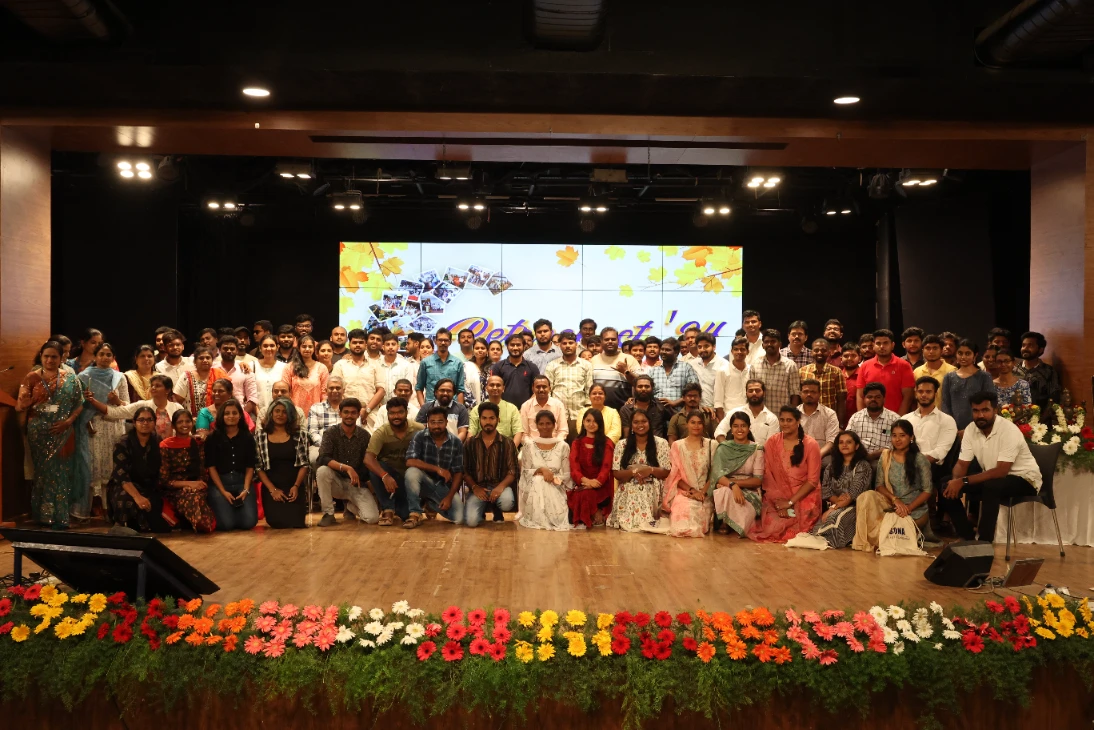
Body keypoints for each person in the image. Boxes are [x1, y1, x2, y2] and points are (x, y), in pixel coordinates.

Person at [940, 391, 1043, 542]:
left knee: (992, 485)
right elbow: (962, 463)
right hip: (993, 477)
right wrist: (955, 482)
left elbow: (1001, 471)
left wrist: (963, 481)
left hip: (1024, 479)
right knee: (946, 484)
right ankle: (967, 538)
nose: (980, 415)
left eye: (985, 410)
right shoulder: (971, 429)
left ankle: (984, 542)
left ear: (995, 410)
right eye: (976, 411)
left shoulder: (1009, 430)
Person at [17, 340, 86, 529]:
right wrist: (24, 404)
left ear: (61, 358)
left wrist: (68, 422)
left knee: (62, 473)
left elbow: (79, 404)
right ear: (41, 356)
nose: (49, 360)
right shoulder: (31, 377)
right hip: (39, 432)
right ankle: (43, 515)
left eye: (54, 357)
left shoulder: (71, 378)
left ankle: (61, 516)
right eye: (46, 356)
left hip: (63, 431)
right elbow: (19, 406)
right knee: (43, 472)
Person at [748, 406, 821, 543]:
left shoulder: (811, 444)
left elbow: (812, 481)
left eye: (789, 420)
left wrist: (790, 502)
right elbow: (768, 475)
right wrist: (779, 503)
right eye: (782, 420)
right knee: (773, 527)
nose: (785, 423)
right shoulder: (772, 442)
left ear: (798, 421)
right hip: (777, 497)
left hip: (804, 495)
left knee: (799, 527)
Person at [855, 420, 933, 545]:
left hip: (914, 510)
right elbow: (879, 485)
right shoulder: (886, 456)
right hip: (890, 505)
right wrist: (895, 500)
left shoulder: (920, 459)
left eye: (902, 435)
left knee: (895, 536)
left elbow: (927, 490)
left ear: (911, 437)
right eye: (894, 435)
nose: (897, 439)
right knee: (867, 496)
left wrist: (907, 508)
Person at [76, 342, 130, 518]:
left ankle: (110, 507)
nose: (105, 358)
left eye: (108, 355)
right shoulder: (84, 377)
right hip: (93, 426)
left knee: (110, 464)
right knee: (94, 464)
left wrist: (116, 401)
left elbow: (127, 406)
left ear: (113, 357)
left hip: (114, 425)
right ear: (95, 356)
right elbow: (76, 404)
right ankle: (93, 504)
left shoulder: (119, 377)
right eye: (101, 354)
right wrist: (87, 401)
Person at [107, 406, 172, 534]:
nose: (145, 423)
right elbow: (121, 475)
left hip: (149, 486)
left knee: (161, 521)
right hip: (126, 486)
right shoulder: (123, 443)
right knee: (126, 501)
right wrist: (137, 496)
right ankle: (124, 526)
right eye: (141, 420)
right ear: (134, 422)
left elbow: (161, 469)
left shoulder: (157, 441)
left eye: (149, 420)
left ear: (154, 422)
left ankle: (142, 524)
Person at [316, 398, 380, 526]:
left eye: (353, 412)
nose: (349, 416)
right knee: (322, 471)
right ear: (340, 413)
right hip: (336, 482)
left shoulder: (364, 436)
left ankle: (350, 507)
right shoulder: (331, 433)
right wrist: (346, 468)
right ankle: (328, 513)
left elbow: (369, 461)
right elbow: (323, 458)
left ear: (358, 414)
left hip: (356, 484)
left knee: (372, 518)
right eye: (346, 412)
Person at [608, 409, 671, 532]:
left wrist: (649, 470)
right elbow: (616, 473)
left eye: (644, 421)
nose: (640, 425)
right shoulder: (622, 445)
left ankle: (641, 522)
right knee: (635, 488)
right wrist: (635, 472)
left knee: (644, 488)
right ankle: (640, 523)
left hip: (653, 484)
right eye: (636, 422)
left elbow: (666, 471)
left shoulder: (661, 443)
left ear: (649, 423)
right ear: (631, 425)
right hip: (629, 483)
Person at [364, 397, 423, 527]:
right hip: (390, 475)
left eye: (400, 412)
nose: (396, 416)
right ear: (388, 414)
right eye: (392, 413)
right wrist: (385, 476)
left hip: (410, 478)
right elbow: (368, 459)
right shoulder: (381, 433)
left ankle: (409, 506)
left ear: (406, 412)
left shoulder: (418, 429)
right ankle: (387, 509)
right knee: (375, 468)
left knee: (405, 514)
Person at [809, 431, 872, 548]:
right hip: (837, 504)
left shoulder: (863, 466)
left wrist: (834, 508)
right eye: (841, 442)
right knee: (820, 521)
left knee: (834, 518)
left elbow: (853, 494)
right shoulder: (831, 466)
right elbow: (826, 491)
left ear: (856, 446)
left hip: (856, 507)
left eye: (849, 442)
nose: (844, 445)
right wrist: (837, 502)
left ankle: (829, 541)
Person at [203, 399, 259, 531]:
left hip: (242, 482)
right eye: (227, 413)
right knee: (227, 525)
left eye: (234, 413)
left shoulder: (247, 437)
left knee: (249, 523)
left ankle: (235, 512)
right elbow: (211, 467)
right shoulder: (212, 438)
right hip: (220, 484)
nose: (231, 416)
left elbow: (250, 466)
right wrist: (223, 491)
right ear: (222, 416)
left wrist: (246, 489)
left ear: (240, 416)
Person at [254, 397, 310, 529]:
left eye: (284, 412)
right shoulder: (260, 436)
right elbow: (258, 467)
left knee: (296, 523)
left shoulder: (299, 435)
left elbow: (304, 465)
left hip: (294, 486)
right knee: (276, 523)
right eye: (277, 411)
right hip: (271, 487)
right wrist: (272, 490)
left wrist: (296, 486)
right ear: (271, 413)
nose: (280, 414)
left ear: (290, 415)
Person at [405, 406, 467, 524]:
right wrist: (438, 469)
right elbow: (410, 461)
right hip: (423, 482)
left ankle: (430, 504)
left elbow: (458, 472)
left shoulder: (456, 442)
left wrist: (449, 497)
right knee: (412, 472)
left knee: (459, 518)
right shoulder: (419, 436)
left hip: (442, 486)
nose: (436, 426)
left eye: (440, 422)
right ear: (427, 422)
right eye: (432, 422)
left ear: (446, 422)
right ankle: (415, 513)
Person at [158, 410, 217, 533]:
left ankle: (201, 524)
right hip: (173, 489)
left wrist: (196, 485)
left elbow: (203, 471)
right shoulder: (166, 445)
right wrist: (187, 484)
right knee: (194, 499)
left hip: (197, 486)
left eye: (187, 421)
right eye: (180, 422)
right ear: (173, 426)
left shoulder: (198, 443)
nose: (184, 424)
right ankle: (201, 525)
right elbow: (164, 480)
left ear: (192, 423)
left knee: (198, 495)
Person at [463, 402, 520, 527]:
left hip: (499, 486)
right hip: (478, 488)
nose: (488, 422)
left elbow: (513, 470)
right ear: (479, 420)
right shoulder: (470, 443)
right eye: (484, 418)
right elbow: (464, 470)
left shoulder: (507, 443)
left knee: (507, 503)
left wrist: (500, 487)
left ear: (498, 420)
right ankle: (483, 508)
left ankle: (496, 508)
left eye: (492, 418)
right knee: (471, 522)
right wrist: (475, 487)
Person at [661, 410, 716, 537]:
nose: (696, 426)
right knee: (682, 509)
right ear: (686, 424)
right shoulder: (677, 446)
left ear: (704, 425)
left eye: (699, 423)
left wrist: (702, 493)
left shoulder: (712, 445)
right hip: (684, 492)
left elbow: (715, 473)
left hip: (706, 493)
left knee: (698, 517)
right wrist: (692, 491)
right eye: (693, 422)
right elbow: (675, 476)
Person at [710, 411, 765, 536]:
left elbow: (757, 480)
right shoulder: (723, 448)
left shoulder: (757, 449)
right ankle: (725, 521)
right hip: (727, 487)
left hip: (750, 490)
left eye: (743, 426)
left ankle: (736, 523)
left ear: (749, 427)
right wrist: (732, 486)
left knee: (726, 490)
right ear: (731, 428)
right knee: (724, 491)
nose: (739, 429)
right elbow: (717, 475)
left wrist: (735, 484)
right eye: (735, 426)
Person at [518, 410, 573, 531]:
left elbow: (567, 474)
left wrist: (552, 478)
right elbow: (525, 472)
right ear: (536, 425)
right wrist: (542, 470)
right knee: (538, 480)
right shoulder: (529, 445)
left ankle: (553, 517)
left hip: (556, 486)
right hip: (533, 487)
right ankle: (538, 519)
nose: (545, 427)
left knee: (542, 481)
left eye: (548, 423)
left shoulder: (563, 446)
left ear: (554, 425)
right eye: (541, 424)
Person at [905, 376, 959, 492]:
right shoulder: (905, 419)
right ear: (915, 393)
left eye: (928, 391)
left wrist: (915, 461)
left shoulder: (947, 420)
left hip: (932, 467)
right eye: (920, 391)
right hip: (904, 464)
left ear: (935, 393)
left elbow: (940, 452)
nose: (924, 395)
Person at [91, 373, 184, 439]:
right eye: (152, 385)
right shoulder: (143, 405)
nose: (153, 388)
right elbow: (116, 412)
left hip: (172, 451)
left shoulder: (177, 408)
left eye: (158, 386)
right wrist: (92, 400)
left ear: (167, 390)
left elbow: (184, 431)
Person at [568, 408, 615, 528]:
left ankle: (592, 515)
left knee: (586, 493)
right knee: (584, 493)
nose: (591, 424)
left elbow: (606, 468)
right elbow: (574, 468)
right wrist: (586, 481)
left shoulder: (607, 443)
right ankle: (594, 513)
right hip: (582, 484)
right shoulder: (576, 443)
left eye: (595, 421)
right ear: (583, 422)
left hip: (601, 486)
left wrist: (596, 482)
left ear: (600, 424)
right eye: (588, 420)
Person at [332, 328, 385, 430]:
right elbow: (336, 390)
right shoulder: (340, 365)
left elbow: (381, 391)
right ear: (349, 344)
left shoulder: (375, 365)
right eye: (354, 342)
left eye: (361, 342)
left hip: (370, 414)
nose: (357, 345)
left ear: (366, 345)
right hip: (345, 414)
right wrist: (351, 411)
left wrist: (366, 410)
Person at [545, 331, 593, 439]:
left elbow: (589, 389)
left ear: (576, 344)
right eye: (564, 343)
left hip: (579, 414)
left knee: (578, 446)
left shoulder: (586, 365)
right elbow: (548, 390)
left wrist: (587, 412)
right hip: (557, 415)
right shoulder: (552, 365)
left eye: (570, 343)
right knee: (558, 447)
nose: (567, 346)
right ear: (560, 345)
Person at [941, 339, 997, 433]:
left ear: (975, 355)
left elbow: (990, 404)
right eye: (960, 353)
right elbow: (945, 404)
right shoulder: (949, 377)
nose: (963, 357)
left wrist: (972, 429)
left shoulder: (984, 376)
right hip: (953, 429)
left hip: (979, 427)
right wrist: (952, 428)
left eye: (967, 354)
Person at [857, 329, 914, 415]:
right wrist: (862, 418)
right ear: (873, 346)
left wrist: (899, 420)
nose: (882, 346)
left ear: (892, 345)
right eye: (878, 343)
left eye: (885, 343)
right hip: (870, 419)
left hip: (897, 417)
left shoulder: (904, 365)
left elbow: (908, 397)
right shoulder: (865, 366)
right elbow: (860, 396)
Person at [750, 329, 801, 411]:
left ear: (780, 344)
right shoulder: (755, 365)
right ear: (762, 345)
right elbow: (752, 392)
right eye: (766, 342)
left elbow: (795, 394)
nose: (769, 344)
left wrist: (792, 414)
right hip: (761, 414)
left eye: (773, 341)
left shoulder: (790, 365)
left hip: (782, 415)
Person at [646, 337, 698, 416]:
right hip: (657, 415)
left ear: (676, 352)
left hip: (679, 413)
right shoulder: (653, 370)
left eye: (667, 350)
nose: (663, 352)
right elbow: (647, 390)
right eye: (662, 349)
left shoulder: (686, 368)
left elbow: (695, 391)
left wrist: (675, 402)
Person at [590, 327, 640, 410]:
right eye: (606, 339)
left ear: (618, 341)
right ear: (601, 341)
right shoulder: (593, 360)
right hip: (598, 409)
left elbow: (640, 384)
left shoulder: (629, 359)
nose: (610, 341)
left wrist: (626, 371)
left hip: (623, 409)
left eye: (613, 339)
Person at [847, 382, 900, 460]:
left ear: (884, 399)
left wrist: (876, 454)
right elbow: (847, 440)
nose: (873, 399)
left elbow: (899, 443)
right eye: (869, 397)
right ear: (864, 399)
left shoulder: (895, 419)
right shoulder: (855, 418)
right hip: (859, 459)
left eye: (877, 397)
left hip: (886, 459)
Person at [715, 379, 778, 444]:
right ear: (746, 393)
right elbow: (719, 432)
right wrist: (727, 448)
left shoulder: (772, 419)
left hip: (761, 450)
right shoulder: (735, 413)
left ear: (764, 393)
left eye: (757, 390)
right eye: (750, 391)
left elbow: (771, 445)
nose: (754, 393)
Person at [799, 337, 847, 423]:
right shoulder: (802, 371)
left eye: (823, 350)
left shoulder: (837, 372)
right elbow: (799, 397)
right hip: (806, 418)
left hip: (829, 419)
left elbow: (841, 400)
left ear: (829, 352)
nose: (819, 353)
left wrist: (840, 424)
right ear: (812, 352)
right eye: (816, 350)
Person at [415, 328, 466, 405]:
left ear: (450, 342)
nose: (443, 343)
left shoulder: (458, 363)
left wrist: (459, 409)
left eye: (446, 340)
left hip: (452, 406)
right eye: (440, 340)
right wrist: (423, 407)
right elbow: (419, 387)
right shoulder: (425, 362)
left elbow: (460, 389)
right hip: (431, 406)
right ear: (435, 341)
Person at [173, 346, 227, 418]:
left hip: (216, 419)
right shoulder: (186, 376)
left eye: (208, 358)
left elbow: (228, 396)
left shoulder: (219, 374)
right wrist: (187, 418)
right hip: (192, 420)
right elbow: (177, 401)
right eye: (201, 358)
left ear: (212, 361)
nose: (205, 360)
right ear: (195, 361)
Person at [491, 332, 540, 407]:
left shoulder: (532, 367)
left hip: (527, 409)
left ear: (524, 346)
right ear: (507, 347)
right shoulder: (498, 367)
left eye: (518, 345)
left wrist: (526, 407)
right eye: (512, 345)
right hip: (503, 409)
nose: (515, 348)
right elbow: (494, 389)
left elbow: (537, 389)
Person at [1014, 332, 1061, 413]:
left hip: (1039, 416)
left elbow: (1054, 399)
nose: (1025, 348)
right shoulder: (1013, 370)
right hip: (1014, 415)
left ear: (1040, 350)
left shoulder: (1049, 371)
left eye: (1030, 346)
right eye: (1023, 345)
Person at [216, 336, 259, 417]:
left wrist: (241, 416)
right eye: (225, 348)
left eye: (232, 349)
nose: (229, 351)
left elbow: (252, 398)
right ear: (219, 350)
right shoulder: (213, 369)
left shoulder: (245, 370)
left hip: (241, 415)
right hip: (215, 415)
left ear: (237, 350)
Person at [287, 334, 329, 415]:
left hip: (317, 413)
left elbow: (325, 394)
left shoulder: (322, 368)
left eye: (310, 347)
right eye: (304, 346)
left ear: (314, 349)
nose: (307, 349)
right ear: (299, 348)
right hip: (294, 413)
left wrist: (321, 410)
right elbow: (286, 392)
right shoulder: (290, 367)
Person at [798, 379, 839, 463]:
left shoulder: (829, 414)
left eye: (813, 392)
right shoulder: (793, 414)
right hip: (798, 454)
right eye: (805, 392)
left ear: (820, 394)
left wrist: (817, 455)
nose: (809, 394)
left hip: (822, 454)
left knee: (829, 462)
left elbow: (831, 441)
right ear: (800, 393)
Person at [307, 376, 343, 467]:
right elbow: (312, 432)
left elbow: (357, 429)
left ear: (343, 390)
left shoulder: (350, 408)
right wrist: (328, 446)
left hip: (346, 446)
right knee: (315, 458)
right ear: (326, 390)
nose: (334, 390)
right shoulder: (316, 408)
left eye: (338, 388)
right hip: (321, 445)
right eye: (331, 388)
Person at [714, 337, 751, 422]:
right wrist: (722, 421)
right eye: (736, 349)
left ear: (748, 351)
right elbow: (718, 400)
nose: (739, 352)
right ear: (732, 351)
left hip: (749, 416)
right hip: (729, 417)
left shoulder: (751, 370)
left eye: (742, 349)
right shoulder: (722, 371)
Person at [912, 334, 955, 408]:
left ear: (941, 350)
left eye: (935, 348)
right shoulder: (917, 371)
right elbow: (914, 397)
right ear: (922, 351)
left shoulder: (952, 371)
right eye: (928, 348)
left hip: (944, 414)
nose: (931, 351)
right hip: (922, 413)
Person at [520, 375, 568, 440]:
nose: (541, 390)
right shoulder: (525, 406)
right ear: (533, 389)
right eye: (538, 387)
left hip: (555, 443)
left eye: (544, 387)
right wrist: (532, 445)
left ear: (549, 388)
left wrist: (555, 444)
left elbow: (563, 431)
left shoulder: (558, 405)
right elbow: (524, 434)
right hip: (532, 444)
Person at [620, 374, 666, 439]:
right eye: (640, 386)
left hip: (658, 444)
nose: (643, 389)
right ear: (634, 388)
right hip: (634, 443)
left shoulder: (660, 405)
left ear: (652, 388)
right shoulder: (626, 409)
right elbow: (626, 436)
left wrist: (674, 403)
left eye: (647, 386)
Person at [252, 334, 287, 417]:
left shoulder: (284, 367)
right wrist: (259, 414)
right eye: (265, 346)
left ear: (277, 347)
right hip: (256, 414)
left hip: (278, 414)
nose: (268, 348)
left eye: (272, 346)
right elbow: (250, 393)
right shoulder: (252, 365)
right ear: (260, 348)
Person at [691, 333, 729, 409]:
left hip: (718, 410)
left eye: (706, 346)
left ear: (714, 347)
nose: (702, 350)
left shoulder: (724, 365)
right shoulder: (693, 364)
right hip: (698, 410)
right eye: (700, 347)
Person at [463, 336, 491, 407]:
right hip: (471, 407)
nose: (480, 350)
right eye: (477, 348)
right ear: (473, 350)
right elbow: (465, 388)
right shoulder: (466, 366)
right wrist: (474, 406)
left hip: (490, 406)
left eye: (483, 348)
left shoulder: (493, 367)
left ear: (487, 351)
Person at [841, 342, 862, 426]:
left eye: (853, 356)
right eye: (846, 356)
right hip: (838, 422)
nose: (849, 358)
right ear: (841, 358)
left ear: (860, 358)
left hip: (858, 421)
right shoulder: (837, 375)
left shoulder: (864, 375)